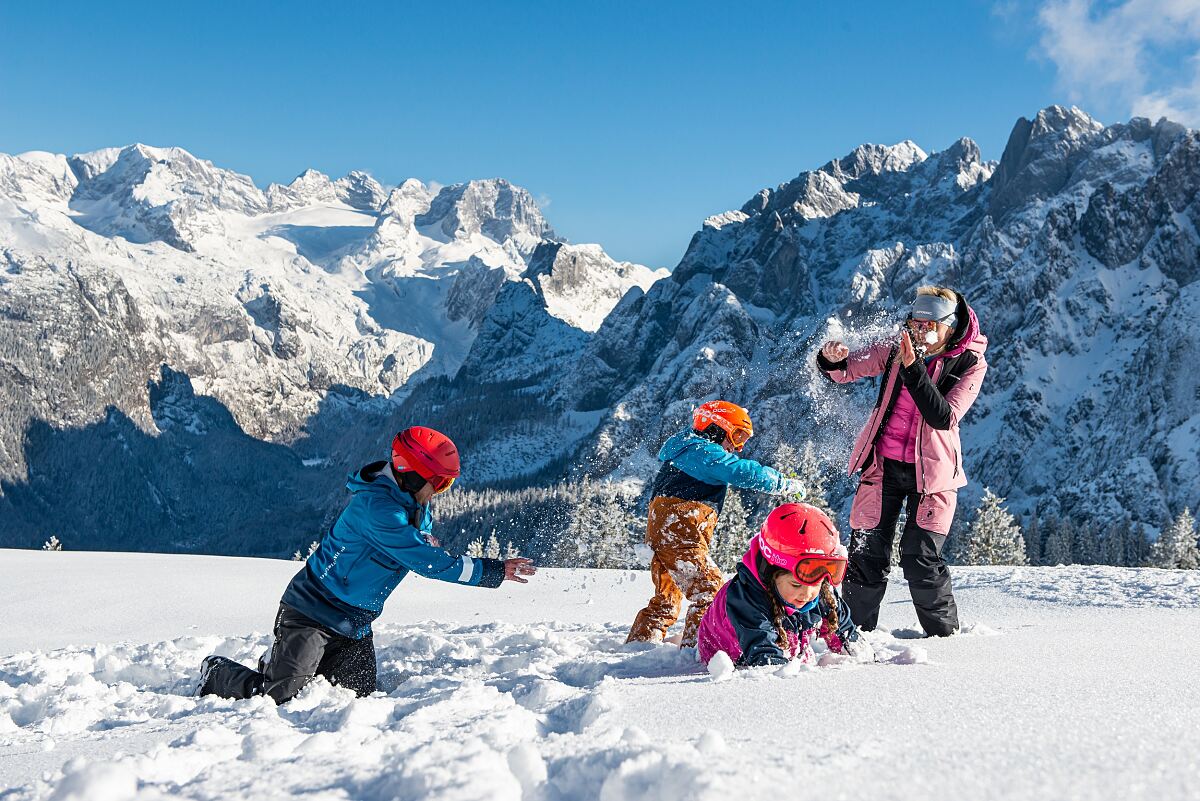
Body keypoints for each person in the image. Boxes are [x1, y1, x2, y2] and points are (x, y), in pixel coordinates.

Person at [195, 425, 536, 702]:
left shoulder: (412, 502)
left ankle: (289, 662)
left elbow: (420, 541)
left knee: (356, 698)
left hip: (354, 624)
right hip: (312, 612)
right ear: (414, 475)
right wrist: (493, 570)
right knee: (278, 697)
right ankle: (218, 672)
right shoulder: (378, 511)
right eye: (441, 483)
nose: (442, 491)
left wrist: (423, 541)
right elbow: (429, 563)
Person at [816, 286, 988, 636]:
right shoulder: (898, 345)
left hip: (934, 475)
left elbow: (943, 417)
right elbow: (849, 367)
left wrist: (913, 369)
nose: (921, 331)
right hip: (882, 467)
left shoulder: (971, 363)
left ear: (950, 326)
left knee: (920, 558)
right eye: (916, 322)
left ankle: (943, 638)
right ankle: (852, 637)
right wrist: (832, 359)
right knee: (867, 555)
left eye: (930, 325)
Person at [626, 400, 805, 648]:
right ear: (716, 427)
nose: (737, 446)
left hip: (666, 535)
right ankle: (698, 649)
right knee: (709, 590)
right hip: (680, 535)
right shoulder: (702, 451)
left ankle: (640, 644)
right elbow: (740, 471)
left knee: (667, 599)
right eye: (737, 435)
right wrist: (782, 483)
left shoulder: (685, 451)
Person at [698, 502, 872, 667]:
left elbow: (849, 639)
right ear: (771, 575)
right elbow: (765, 662)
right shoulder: (745, 601)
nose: (807, 593)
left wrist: (862, 661)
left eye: (817, 584)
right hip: (729, 658)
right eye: (796, 585)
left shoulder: (822, 593)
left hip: (784, 637)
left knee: (800, 658)